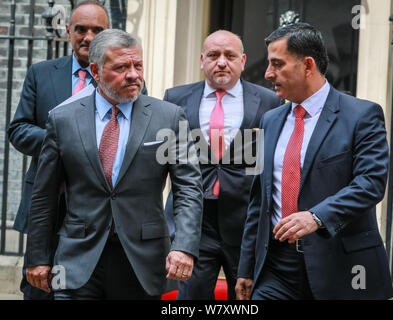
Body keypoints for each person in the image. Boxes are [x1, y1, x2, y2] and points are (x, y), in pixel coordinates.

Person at [24, 29, 203, 300]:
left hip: (143, 260)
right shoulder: (63, 120)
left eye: (137, 65)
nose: (133, 74)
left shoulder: (168, 117)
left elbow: (188, 188)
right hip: (77, 259)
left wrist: (185, 246)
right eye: (121, 67)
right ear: (95, 71)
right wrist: (37, 256)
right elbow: (44, 195)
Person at [235, 22, 393, 300]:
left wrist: (316, 216)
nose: (267, 73)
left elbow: (370, 184)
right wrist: (246, 268)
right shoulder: (269, 121)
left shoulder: (362, 115)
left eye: (277, 64)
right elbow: (258, 201)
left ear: (307, 65)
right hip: (276, 269)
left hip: (341, 267)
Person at [163, 30, 280, 300]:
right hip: (195, 222)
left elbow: (270, 160)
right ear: (202, 60)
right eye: (214, 56)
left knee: (245, 299)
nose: (222, 62)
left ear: (243, 60)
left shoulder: (268, 101)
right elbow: (167, 156)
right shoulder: (175, 98)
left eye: (230, 55)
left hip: (244, 223)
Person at [7, 0, 110, 300]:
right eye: (80, 29)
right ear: (67, 31)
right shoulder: (41, 73)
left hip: (97, 210)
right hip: (46, 205)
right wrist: (64, 142)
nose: (88, 37)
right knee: (40, 289)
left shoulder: (122, 76)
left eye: (97, 30)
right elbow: (19, 129)